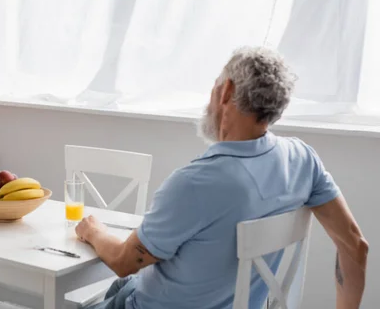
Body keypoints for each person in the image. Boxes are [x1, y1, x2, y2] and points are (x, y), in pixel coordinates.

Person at [76, 47, 368, 309]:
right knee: (121, 289)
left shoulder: (194, 183)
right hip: (149, 292)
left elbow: (125, 262)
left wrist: (92, 231)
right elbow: (355, 245)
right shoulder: (303, 159)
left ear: (226, 91)